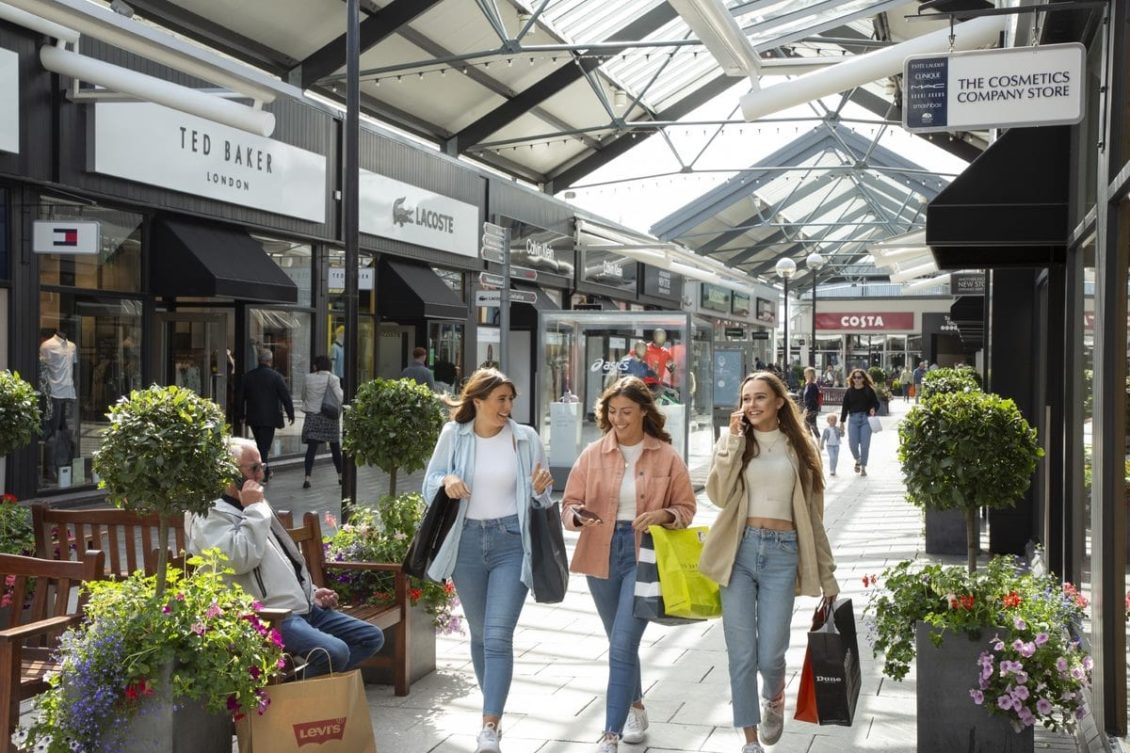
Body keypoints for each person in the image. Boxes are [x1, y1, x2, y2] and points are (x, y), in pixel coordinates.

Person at [699, 371, 839, 753]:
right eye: (746, 399)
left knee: (771, 654)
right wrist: (731, 442)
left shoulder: (800, 446)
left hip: (783, 553)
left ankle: (774, 697)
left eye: (760, 398)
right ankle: (749, 739)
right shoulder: (736, 443)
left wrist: (827, 576)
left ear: (779, 402)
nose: (751, 405)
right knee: (741, 653)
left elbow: (812, 517)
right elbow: (717, 494)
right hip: (739, 552)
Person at [421, 368, 554, 753]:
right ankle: (491, 710)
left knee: (497, 635)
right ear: (477, 401)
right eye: (501, 399)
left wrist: (542, 491)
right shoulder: (454, 436)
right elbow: (430, 484)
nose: (508, 407)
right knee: (480, 636)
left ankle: (489, 726)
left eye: (511, 399)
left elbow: (540, 502)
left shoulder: (525, 438)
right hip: (465, 545)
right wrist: (446, 482)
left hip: (511, 542)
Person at [561, 377, 696, 753]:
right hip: (601, 551)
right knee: (618, 643)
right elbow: (568, 504)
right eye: (612, 411)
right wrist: (578, 516)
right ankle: (636, 705)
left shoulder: (666, 455)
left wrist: (661, 514)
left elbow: (686, 509)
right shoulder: (593, 454)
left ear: (643, 412)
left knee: (622, 645)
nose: (618, 419)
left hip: (644, 554)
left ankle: (610, 734)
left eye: (626, 411)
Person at [186, 437, 384, 676]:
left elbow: (284, 559)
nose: (261, 475)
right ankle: (288, 692)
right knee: (336, 653)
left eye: (263, 467)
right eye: (254, 469)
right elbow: (239, 559)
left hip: (299, 607)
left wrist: (310, 593)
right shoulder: (210, 513)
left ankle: (297, 684)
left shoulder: (255, 504)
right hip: (268, 614)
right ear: (228, 473)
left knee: (371, 638)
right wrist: (253, 509)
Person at [236, 348, 295, 482]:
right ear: (270, 360)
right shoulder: (275, 376)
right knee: (264, 447)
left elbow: (240, 397)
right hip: (270, 418)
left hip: (254, 417)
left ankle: (265, 471)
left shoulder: (248, 376)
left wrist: (240, 414)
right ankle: (262, 474)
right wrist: (290, 413)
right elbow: (285, 396)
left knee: (260, 444)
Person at [301, 355, 343, 489]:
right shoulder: (333, 379)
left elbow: (303, 396)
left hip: (313, 417)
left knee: (311, 450)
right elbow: (340, 397)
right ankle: (340, 476)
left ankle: (307, 478)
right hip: (329, 417)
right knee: (335, 448)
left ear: (316, 366)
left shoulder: (308, 378)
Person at [840, 368, 881, 477]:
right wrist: (842, 423)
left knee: (864, 445)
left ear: (863, 379)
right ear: (852, 379)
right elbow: (845, 408)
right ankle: (858, 459)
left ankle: (863, 467)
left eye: (859, 377)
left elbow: (876, 403)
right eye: (854, 377)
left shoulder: (868, 390)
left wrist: (873, 409)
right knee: (852, 444)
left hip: (866, 419)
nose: (857, 379)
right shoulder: (849, 391)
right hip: (853, 419)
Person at [800, 367, 820, 440]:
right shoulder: (808, 385)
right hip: (809, 408)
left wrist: (808, 409)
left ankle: (819, 442)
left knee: (812, 425)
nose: (804, 375)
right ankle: (812, 442)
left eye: (806, 373)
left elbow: (812, 399)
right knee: (807, 426)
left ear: (810, 374)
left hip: (811, 409)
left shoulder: (812, 386)